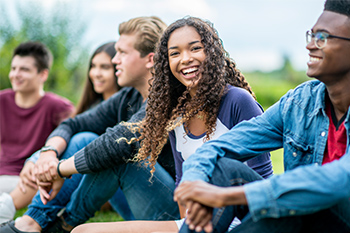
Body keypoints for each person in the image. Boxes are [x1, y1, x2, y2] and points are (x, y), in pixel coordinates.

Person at [71, 16, 273, 233]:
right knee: (82, 231)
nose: (185, 59)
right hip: (192, 225)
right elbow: (181, 186)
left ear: (212, 53)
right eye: (175, 53)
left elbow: (261, 182)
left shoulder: (237, 101)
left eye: (195, 48)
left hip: (239, 223)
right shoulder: (176, 114)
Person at [173, 0, 350, 232]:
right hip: (299, 217)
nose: (310, 46)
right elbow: (216, 147)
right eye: (312, 35)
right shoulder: (299, 103)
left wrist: (226, 196)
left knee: (285, 209)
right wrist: (195, 187)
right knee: (223, 169)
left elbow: (340, 180)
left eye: (324, 37)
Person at [0, 16, 179, 233]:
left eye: (122, 53)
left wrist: (59, 170)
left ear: (150, 59)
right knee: (83, 138)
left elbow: (120, 142)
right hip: (136, 204)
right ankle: (32, 221)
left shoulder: (168, 97)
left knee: (120, 153)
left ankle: (62, 225)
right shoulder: (128, 96)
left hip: (172, 214)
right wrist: (47, 154)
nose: (116, 60)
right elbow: (73, 123)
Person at [0, 41, 133, 223]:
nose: (96, 73)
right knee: (65, 149)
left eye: (105, 67)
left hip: (115, 187)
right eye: (93, 66)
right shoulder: (92, 109)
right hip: (80, 180)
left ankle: (11, 209)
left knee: (84, 140)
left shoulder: (130, 106)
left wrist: (47, 165)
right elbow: (68, 130)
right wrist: (38, 159)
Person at [0, 41, 74, 222]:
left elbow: (72, 140)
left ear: (43, 74)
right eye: (14, 68)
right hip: (2, 174)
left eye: (24, 69)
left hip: (28, 179)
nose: (16, 75)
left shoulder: (59, 106)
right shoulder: (2, 100)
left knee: (43, 179)